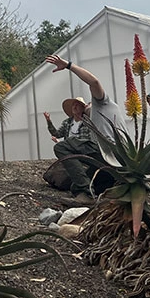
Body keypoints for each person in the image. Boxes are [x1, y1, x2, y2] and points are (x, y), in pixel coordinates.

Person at [44, 55, 124, 200]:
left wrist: (68, 65)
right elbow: (58, 132)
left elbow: (94, 81)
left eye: (87, 103)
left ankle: (86, 191)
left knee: (61, 147)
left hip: (112, 151)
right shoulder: (85, 120)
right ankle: (93, 195)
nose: (86, 104)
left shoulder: (102, 104)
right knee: (75, 187)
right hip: (109, 159)